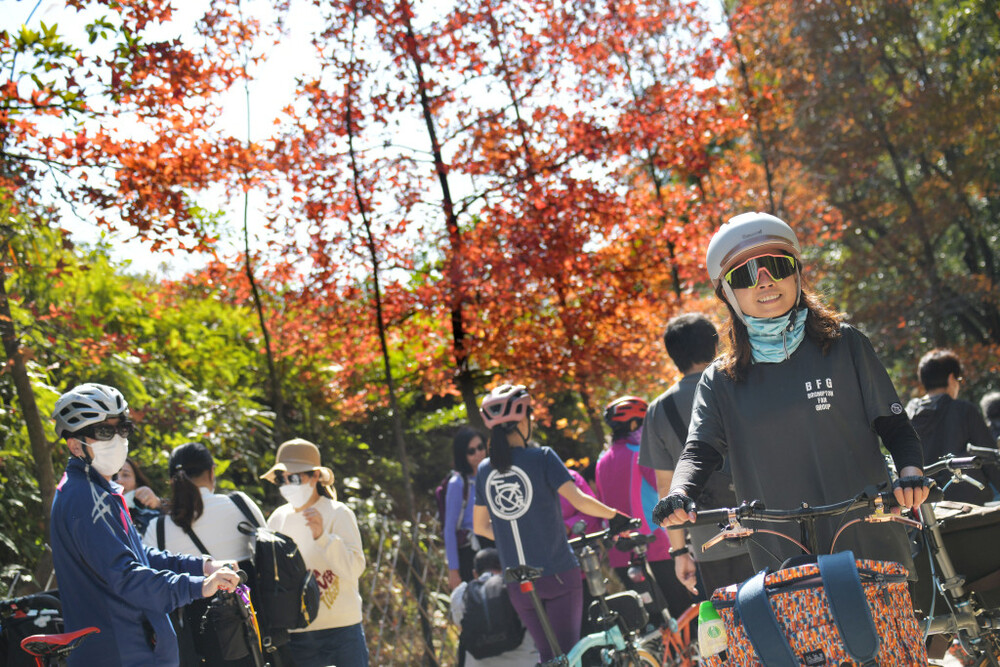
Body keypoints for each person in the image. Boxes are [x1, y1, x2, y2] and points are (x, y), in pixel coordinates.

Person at [653, 212, 930, 576]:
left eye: (776, 266)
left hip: (869, 534)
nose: (764, 281)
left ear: (797, 273)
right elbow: (699, 450)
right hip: (781, 552)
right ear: (728, 293)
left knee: (887, 634)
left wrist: (910, 473)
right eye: (746, 274)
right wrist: (679, 493)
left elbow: (894, 423)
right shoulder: (720, 379)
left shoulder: (845, 344)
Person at [49, 383, 241, 667]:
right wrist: (199, 586)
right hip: (120, 653)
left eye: (122, 428)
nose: (118, 438)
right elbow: (125, 577)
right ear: (76, 445)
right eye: (105, 431)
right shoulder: (85, 498)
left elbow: (139, 554)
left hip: (131, 649)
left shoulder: (99, 490)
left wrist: (202, 566)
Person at [472, 384, 631, 663]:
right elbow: (579, 500)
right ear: (523, 420)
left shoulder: (485, 469)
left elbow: (480, 527)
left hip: (517, 580)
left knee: (548, 656)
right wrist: (616, 516)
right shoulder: (542, 457)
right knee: (568, 656)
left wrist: (516, 534)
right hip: (557, 572)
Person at [639, 314, 754, 598]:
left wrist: (679, 552)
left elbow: (666, 489)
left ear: (673, 355)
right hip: (767, 529)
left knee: (735, 627)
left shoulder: (658, 410)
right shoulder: (744, 383)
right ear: (715, 345)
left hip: (709, 541)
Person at [142, 442, 268, 665]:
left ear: (172, 480)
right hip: (252, 631)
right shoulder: (240, 505)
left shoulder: (158, 528)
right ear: (211, 472)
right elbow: (266, 552)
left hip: (198, 645)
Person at [262, 438, 368, 667]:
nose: (289, 483)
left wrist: (324, 538)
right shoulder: (277, 519)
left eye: (297, 477)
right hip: (297, 634)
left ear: (316, 476)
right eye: (282, 478)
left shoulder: (338, 513)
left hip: (343, 630)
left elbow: (355, 568)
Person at [596, 395, 696, 619]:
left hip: (621, 550)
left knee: (652, 617)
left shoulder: (602, 460)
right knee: (684, 610)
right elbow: (668, 488)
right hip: (657, 543)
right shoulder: (641, 454)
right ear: (633, 425)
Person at [906, 349, 1000, 504]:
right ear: (951, 378)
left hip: (928, 506)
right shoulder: (963, 410)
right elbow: (989, 459)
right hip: (970, 504)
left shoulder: (908, 415)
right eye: (959, 379)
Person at [450, 548, 538, 666]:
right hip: (524, 660)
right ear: (503, 567)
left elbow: (460, 624)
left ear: (475, 573)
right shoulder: (516, 586)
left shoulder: (461, 593)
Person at [445, 425, 489, 590]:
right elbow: (449, 529)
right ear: (462, 455)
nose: (478, 453)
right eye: (471, 451)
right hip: (471, 552)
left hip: (495, 545)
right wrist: (453, 571)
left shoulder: (493, 475)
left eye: (480, 447)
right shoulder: (457, 484)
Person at [115, 456, 162, 534]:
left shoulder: (152, 517)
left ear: (137, 482)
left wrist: (158, 504)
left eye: (126, 475)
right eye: (114, 476)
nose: (119, 481)